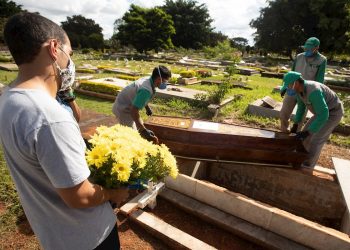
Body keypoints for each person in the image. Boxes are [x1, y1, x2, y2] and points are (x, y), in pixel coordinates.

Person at [0, 12, 128, 250]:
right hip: (89, 238)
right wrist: (114, 193)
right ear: (54, 48)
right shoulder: (50, 116)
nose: (70, 63)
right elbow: (80, 196)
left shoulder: (9, 99)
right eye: (69, 54)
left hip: (55, 234)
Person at [280, 71, 343, 168]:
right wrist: (296, 124)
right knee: (305, 135)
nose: (288, 89)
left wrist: (309, 132)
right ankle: (301, 159)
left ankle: (308, 165)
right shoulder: (299, 91)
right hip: (321, 112)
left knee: (316, 138)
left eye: (288, 86)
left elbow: (324, 114)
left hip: (333, 113)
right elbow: (301, 108)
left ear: (296, 83)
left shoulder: (313, 91)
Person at [112, 65, 171, 143]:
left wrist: (147, 107)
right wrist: (143, 130)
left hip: (124, 103)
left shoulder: (149, 79)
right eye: (165, 81)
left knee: (135, 127)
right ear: (159, 79)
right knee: (131, 136)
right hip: (123, 109)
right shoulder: (146, 90)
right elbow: (134, 111)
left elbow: (139, 96)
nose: (165, 83)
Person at [280, 37, 327, 132]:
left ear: (316, 48)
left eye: (310, 48)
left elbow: (319, 80)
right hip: (293, 88)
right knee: (284, 113)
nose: (307, 50)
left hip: (306, 91)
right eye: (306, 48)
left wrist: (316, 94)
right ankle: (284, 132)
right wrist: (285, 86)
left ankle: (296, 135)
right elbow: (291, 72)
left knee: (300, 115)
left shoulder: (321, 60)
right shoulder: (299, 57)